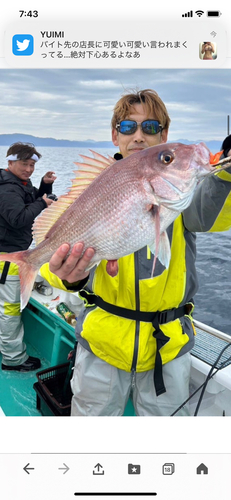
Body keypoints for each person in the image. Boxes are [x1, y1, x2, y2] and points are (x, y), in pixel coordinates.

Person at [40, 89, 231, 416]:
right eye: (128, 127)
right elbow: (52, 261)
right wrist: (71, 278)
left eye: (151, 127)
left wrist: (225, 173)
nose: (139, 136)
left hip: (167, 348)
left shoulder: (181, 191)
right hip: (101, 344)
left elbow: (210, 215)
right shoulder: (92, 187)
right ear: (115, 135)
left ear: (164, 134)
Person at [0, 142, 56, 371]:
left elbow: (29, 198)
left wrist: (43, 186)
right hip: (9, 259)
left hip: (10, 255)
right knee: (10, 311)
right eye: (25, 164)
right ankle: (13, 360)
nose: (29, 169)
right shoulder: (7, 188)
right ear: (10, 162)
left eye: (32, 165)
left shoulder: (17, 182)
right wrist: (43, 203)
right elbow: (18, 218)